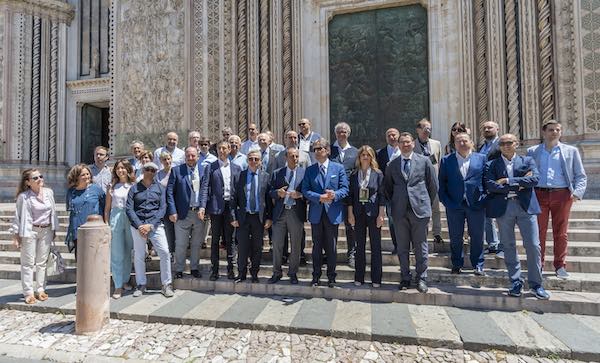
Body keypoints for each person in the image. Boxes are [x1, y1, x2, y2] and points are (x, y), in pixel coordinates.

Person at [485, 134, 550, 300]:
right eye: (503, 143)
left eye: (509, 143)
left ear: (516, 144)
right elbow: (490, 185)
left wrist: (507, 180)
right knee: (508, 246)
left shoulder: (527, 161)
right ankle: (515, 282)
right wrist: (519, 184)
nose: (506, 145)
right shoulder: (492, 164)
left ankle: (536, 284)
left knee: (533, 245)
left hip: (525, 207)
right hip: (504, 208)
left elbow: (535, 179)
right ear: (499, 146)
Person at [527, 120, 587, 279]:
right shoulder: (532, 151)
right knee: (538, 232)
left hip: (562, 194)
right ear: (544, 132)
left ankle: (560, 266)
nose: (554, 132)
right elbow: (526, 174)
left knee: (561, 233)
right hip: (539, 194)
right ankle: (538, 265)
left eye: (558, 130)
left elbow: (580, 175)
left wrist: (577, 193)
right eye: (551, 130)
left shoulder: (570, 151)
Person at [384, 133, 437, 293]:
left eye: (408, 142)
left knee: (421, 246)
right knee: (402, 247)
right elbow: (387, 188)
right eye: (402, 143)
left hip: (419, 211)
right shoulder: (392, 165)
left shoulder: (424, 161)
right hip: (399, 212)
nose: (405, 145)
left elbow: (432, 186)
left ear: (413, 144)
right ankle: (405, 277)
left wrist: (423, 202)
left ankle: (421, 278)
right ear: (398, 145)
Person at [301, 138, 349, 287]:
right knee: (316, 246)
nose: (317, 151)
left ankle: (331, 276)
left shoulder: (338, 168)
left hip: (332, 213)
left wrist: (335, 195)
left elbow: (345, 189)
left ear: (327, 151)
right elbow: (305, 190)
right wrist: (318, 197)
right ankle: (316, 276)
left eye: (320, 148)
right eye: (315, 149)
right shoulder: (310, 170)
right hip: (316, 213)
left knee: (331, 246)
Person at [438, 132, 487, 275]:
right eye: (458, 141)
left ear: (471, 142)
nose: (462, 143)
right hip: (454, 205)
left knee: (477, 236)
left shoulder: (481, 159)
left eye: (464, 140)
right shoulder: (447, 160)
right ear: (454, 144)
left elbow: (486, 180)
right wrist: (445, 201)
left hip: (476, 204)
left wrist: (484, 198)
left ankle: (478, 264)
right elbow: (442, 182)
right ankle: (456, 264)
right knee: (455, 236)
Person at [9, 169, 58, 305]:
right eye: (35, 178)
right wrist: (16, 235)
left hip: (46, 230)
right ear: (28, 182)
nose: (39, 179)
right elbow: (18, 217)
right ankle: (29, 293)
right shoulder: (23, 197)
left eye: (40, 176)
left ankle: (40, 289)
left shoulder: (49, 193)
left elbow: (52, 212)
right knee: (28, 263)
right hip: (30, 231)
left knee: (42, 262)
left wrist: (54, 230)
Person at [126, 161, 174, 298]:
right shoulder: (134, 189)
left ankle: (166, 284)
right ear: (143, 170)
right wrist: (139, 225)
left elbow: (162, 208)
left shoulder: (160, 189)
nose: (150, 172)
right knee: (139, 255)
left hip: (155, 225)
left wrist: (151, 225)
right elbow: (129, 208)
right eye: (147, 169)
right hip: (138, 226)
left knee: (164, 252)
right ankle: (141, 284)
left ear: (156, 172)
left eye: (153, 170)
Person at [199, 141, 242, 281]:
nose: (222, 150)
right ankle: (215, 270)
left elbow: (239, 190)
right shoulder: (210, 167)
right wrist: (202, 206)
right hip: (216, 208)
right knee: (215, 240)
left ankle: (231, 269)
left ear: (229, 150)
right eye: (219, 148)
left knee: (230, 240)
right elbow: (205, 187)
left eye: (224, 148)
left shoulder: (236, 168)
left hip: (231, 208)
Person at [166, 146, 208, 279]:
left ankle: (194, 268)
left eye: (193, 156)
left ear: (198, 156)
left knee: (196, 244)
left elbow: (205, 190)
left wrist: (203, 207)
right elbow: (170, 193)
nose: (190, 158)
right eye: (188, 155)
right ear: (185, 156)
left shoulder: (203, 170)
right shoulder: (177, 170)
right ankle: (179, 268)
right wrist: (172, 211)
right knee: (181, 244)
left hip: (198, 213)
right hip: (182, 214)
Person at [232, 150, 272, 282]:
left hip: (258, 218)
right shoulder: (239, 176)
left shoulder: (265, 176)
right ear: (247, 160)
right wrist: (233, 217)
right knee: (242, 247)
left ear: (260, 161)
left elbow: (268, 200)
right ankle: (241, 273)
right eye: (250, 159)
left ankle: (254, 273)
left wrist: (269, 217)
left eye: (256, 159)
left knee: (257, 247)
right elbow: (233, 198)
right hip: (243, 217)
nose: (253, 161)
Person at [347, 146, 385, 287]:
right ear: (359, 157)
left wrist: (381, 214)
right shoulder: (353, 174)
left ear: (372, 157)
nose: (365, 157)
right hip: (358, 214)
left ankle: (376, 279)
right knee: (359, 246)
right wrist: (350, 213)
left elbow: (382, 195)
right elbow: (350, 196)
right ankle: (359, 277)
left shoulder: (378, 174)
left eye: (368, 155)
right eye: (363, 154)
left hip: (373, 213)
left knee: (375, 246)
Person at [268, 147, 306, 284]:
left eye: (296, 156)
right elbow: (270, 192)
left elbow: (308, 192)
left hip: (296, 213)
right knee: (277, 244)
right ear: (286, 157)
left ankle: (293, 273)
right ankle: (276, 272)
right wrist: (277, 193)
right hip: (280, 212)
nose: (295, 159)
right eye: (292, 156)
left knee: (296, 245)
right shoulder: (277, 173)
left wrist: (300, 195)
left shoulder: (304, 173)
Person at [104, 159, 135, 299]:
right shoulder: (112, 187)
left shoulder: (133, 185)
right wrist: (106, 224)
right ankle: (117, 285)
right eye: (118, 168)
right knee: (116, 252)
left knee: (128, 250)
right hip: (116, 217)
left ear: (128, 170)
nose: (120, 170)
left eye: (123, 168)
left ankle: (125, 280)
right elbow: (107, 208)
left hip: (130, 217)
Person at [330, 122, 359, 267]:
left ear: (348, 134)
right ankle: (329, 253)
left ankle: (352, 254)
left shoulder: (355, 151)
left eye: (344, 132)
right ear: (335, 133)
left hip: (350, 195)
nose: (342, 134)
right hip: (333, 195)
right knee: (330, 226)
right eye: (339, 132)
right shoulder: (329, 150)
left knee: (351, 226)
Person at [413, 118, 443, 244]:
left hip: (434, 181)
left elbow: (439, 161)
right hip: (419, 183)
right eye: (424, 128)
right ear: (418, 130)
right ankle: (422, 233)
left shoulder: (436, 144)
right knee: (421, 210)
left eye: (429, 128)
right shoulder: (412, 145)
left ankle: (437, 233)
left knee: (436, 208)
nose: (427, 131)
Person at [65, 164, 105, 256]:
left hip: (94, 227)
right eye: (83, 175)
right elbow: (71, 209)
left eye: (88, 174)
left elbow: (105, 206)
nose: (87, 176)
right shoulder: (71, 191)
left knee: (94, 257)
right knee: (80, 257)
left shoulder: (96, 189)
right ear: (76, 176)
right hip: (77, 228)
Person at [478, 121, 502, 257]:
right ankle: (493, 244)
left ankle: (502, 245)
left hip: (498, 183)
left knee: (500, 216)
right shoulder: (482, 146)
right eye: (484, 127)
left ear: (497, 129)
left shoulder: (502, 144)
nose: (487, 129)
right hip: (485, 185)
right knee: (487, 216)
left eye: (490, 127)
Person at [376, 128, 401, 254]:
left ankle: (409, 245)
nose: (392, 137)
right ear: (386, 138)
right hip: (387, 192)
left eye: (394, 135)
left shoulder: (405, 151)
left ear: (398, 136)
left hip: (404, 191)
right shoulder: (379, 153)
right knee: (392, 220)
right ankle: (397, 245)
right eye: (389, 135)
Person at [156, 151, 176, 255]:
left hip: (175, 205)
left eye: (168, 159)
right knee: (168, 229)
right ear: (161, 161)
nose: (167, 161)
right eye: (164, 159)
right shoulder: (158, 174)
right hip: (163, 206)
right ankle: (171, 251)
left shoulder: (176, 171)